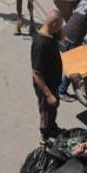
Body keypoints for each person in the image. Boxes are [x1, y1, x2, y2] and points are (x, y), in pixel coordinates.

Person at [31, 10, 64, 140]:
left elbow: (62, 38)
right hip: (45, 87)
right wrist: (49, 94)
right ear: (54, 23)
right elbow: (36, 73)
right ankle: (45, 134)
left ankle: (52, 127)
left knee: (53, 109)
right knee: (45, 112)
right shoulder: (40, 44)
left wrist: (59, 28)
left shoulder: (51, 33)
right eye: (60, 25)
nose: (61, 28)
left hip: (53, 83)